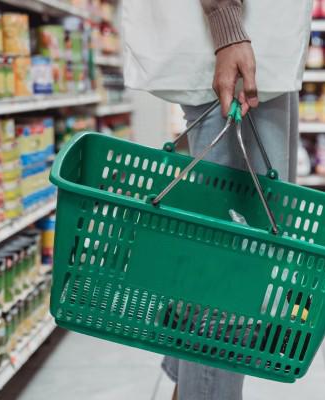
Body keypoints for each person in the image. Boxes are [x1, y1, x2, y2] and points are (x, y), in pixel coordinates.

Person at [122, 1, 313, 399]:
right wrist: (228, 32)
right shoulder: (233, 40)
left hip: (256, 48)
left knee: (227, 255)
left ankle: (187, 387)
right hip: (240, 44)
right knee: (232, 274)